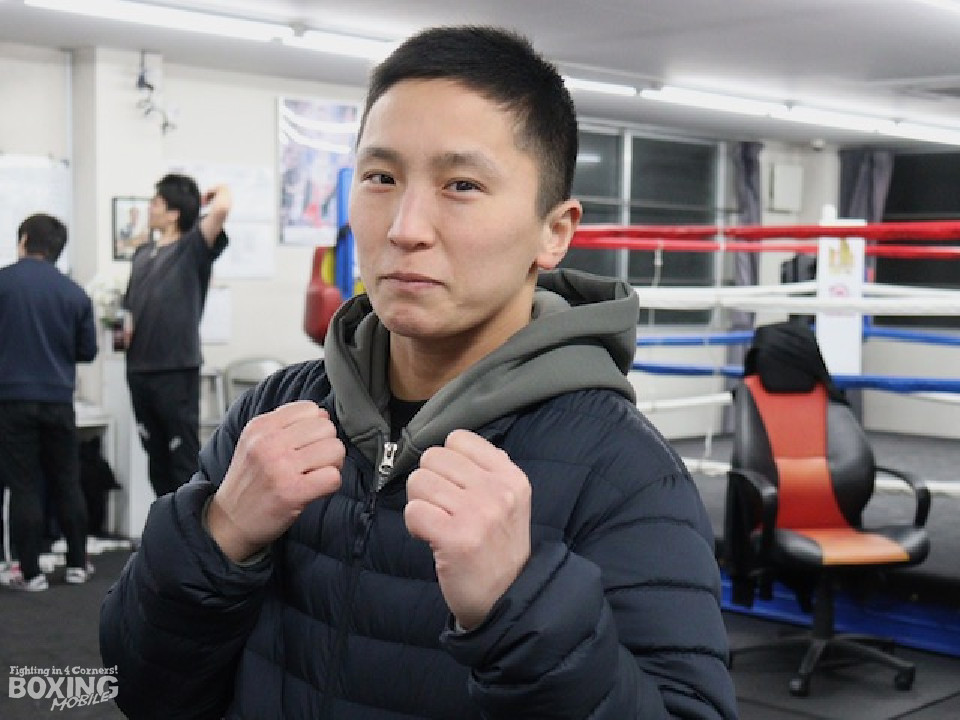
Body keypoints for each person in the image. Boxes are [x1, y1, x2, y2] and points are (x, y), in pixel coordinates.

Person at [101, 26, 738, 719]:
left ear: (553, 231)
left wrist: (523, 610)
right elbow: (139, 688)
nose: (405, 227)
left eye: (461, 185)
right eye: (381, 178)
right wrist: (218, 535)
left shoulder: (625, 473)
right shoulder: (275, 411)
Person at [0, 214, 97, 592]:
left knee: (23, 485)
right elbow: (87, 351)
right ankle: (76, 564)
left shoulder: (3, 283)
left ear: (24, 240)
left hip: (11, 400)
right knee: (67, 481)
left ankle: (30, 573)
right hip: (58, 399)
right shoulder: (75, 293)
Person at [120, 173, 230, 498]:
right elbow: (130, 308)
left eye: (156, 203)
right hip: (139, 370)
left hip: (175, 369)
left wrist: (213, 193)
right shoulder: (142, 254)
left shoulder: (192, 247)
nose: (150, 208)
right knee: (156, 460)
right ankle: (166, 523)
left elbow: (222, 208)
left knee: (182, 460)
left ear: (173, 213)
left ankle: (189, 525)